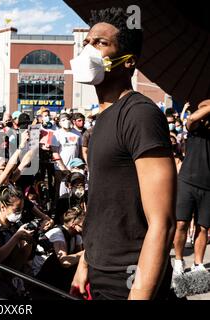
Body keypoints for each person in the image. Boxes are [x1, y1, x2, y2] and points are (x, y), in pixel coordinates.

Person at [70, 7, 176, 300]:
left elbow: (162, 222)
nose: (89, 49)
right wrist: (85, 263)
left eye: (101, 43)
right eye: (87, 42)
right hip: (99, 276)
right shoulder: (102, 119)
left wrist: (139, 292)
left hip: (129, 283)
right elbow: (104, 201)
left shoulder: (139, 115)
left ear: (127, 62)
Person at [173, 99, 210, 275]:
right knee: (182, 223)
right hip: (187, 181)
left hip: (208, 187)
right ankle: (179, 261)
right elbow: (192, 118)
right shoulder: (195, 129)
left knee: (203, 227)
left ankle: (198, 263)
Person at [0, 184, 34, 299]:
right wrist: (16, 237)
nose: (19, 213)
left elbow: (20, 259)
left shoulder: (15, 224)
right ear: (3, 206)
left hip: (12, 279)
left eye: (21, 209)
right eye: (16, 210)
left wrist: (29, 242)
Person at [33, 208, 85, 293]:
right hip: (42, 274)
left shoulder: (77, 236)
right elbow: (65, 262)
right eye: (84, 225)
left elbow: (78, 260)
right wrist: (87, 251)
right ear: (73, 225)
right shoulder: (57, 234)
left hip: (57, 275)